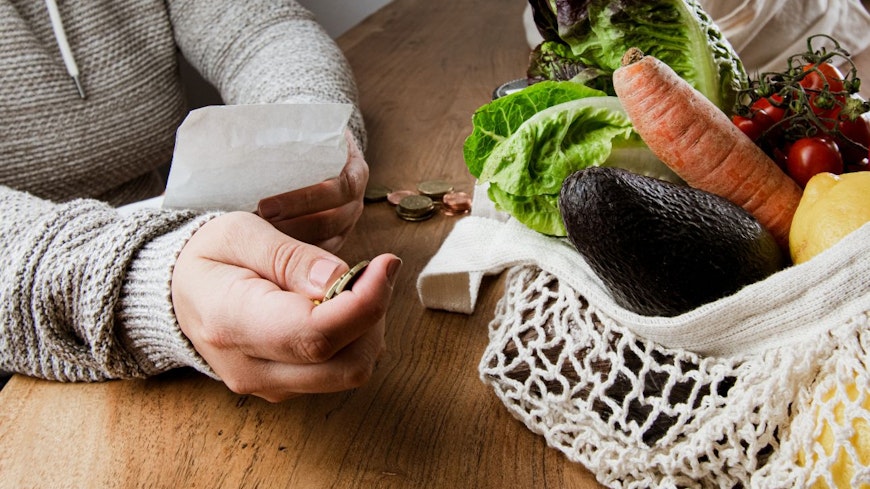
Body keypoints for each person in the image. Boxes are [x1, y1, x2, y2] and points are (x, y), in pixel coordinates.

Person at [0, 1, 402, 402]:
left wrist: (307, 136)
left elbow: (260, 29)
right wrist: (144, 280)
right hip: (27, 351)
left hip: (197, 249)